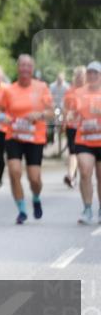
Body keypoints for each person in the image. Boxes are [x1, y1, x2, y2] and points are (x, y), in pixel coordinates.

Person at [0, 54, 54, 224]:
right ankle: (22, 210)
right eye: (22, 65)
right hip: (14, 136)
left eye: (28, 66)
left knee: (34, 179)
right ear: (17, 68)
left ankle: (36, 198)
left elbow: (53, 113)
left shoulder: (42, 88)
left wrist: (40, 114)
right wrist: (4, 118)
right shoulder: (9, 90)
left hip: (35, 138)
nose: (24, 69)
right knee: (14, 171)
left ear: (32, 69)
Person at [73, 61, 101, 224]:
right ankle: (87, 208)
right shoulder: (78, 93)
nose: (91, 76)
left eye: (95, 73)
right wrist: (70, 116)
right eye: (89, 73)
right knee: (84, 172)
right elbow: (71, 111)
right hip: (84, 139)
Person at [63, 65, 87, 188]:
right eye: (77, 76)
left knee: (79, 154)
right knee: (73, 151)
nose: (79, 78)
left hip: (86, 129)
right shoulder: (69, 91)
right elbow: (66, 109)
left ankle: (73, 175)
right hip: (72, 127)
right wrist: (64, 120)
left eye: (82, 76)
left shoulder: (91, 90)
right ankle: (71, 176)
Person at [50, 70, 69, 150]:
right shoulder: (52, 86)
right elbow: (50, 96)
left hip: (64, 106)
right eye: (59, 79)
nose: (60, 81)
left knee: (62, 117)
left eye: (61, 79)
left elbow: (67, 97)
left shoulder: (66, 86)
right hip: (55, 106)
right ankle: (55, 132)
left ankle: (62, 131)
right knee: (56, 117)